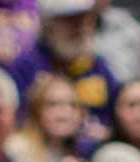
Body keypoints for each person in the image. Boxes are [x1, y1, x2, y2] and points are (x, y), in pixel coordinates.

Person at [8, 0, 119, 148]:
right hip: (38, 151)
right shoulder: (25, 66)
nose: (79, 26)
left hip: (92, 153)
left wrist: (110, 133)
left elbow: (117, 115)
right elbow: (14, 121)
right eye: (69, 20)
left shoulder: (98, 66)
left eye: (84, 18)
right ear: (48, 25)